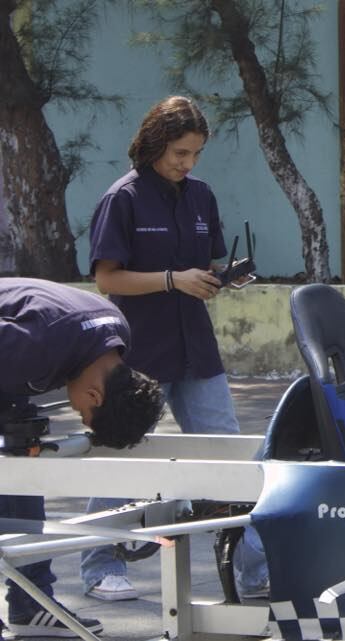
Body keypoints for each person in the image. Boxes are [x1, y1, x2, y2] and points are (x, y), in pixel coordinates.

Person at [83, 96, 268, 601]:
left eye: (196, 154)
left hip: (197, 350)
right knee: (123, 453)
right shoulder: (122, 198)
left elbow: (203, 267)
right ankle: (98, 567)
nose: (187, 163)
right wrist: (172, 279)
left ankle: (252, 572)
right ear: (155, 144)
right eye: (180, 153)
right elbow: (107, 279)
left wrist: (224, 277)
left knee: (230, 458)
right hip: (140, 350)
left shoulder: (201, 196)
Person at [0, 277, 165, 637]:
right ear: (95, 396)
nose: (77, 413)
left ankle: (31, 604)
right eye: (83, 415)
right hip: (18, 349)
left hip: (17, 357)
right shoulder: (31, 349)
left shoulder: (117, 333)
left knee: (21, 463)